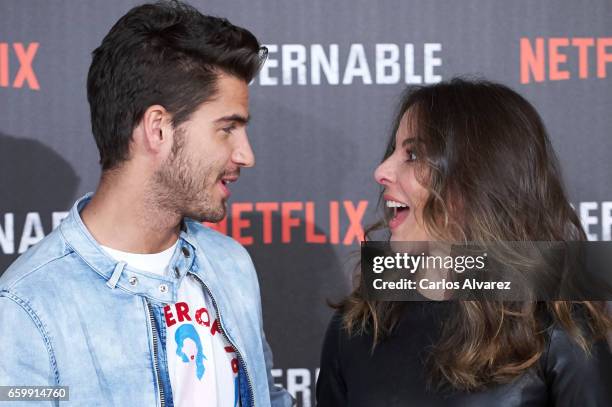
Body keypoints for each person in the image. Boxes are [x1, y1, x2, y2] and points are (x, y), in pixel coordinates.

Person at [0, 2, 292, 406]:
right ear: (158, 129)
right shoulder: (27, 310)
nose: (246, 154)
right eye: (227, 128)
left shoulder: (229, 265)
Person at [316, 79, 612, 406]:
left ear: (476, 179)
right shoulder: (359, 321)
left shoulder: (558, 321)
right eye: (394, 152)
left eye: (413, 154)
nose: (381, 171)